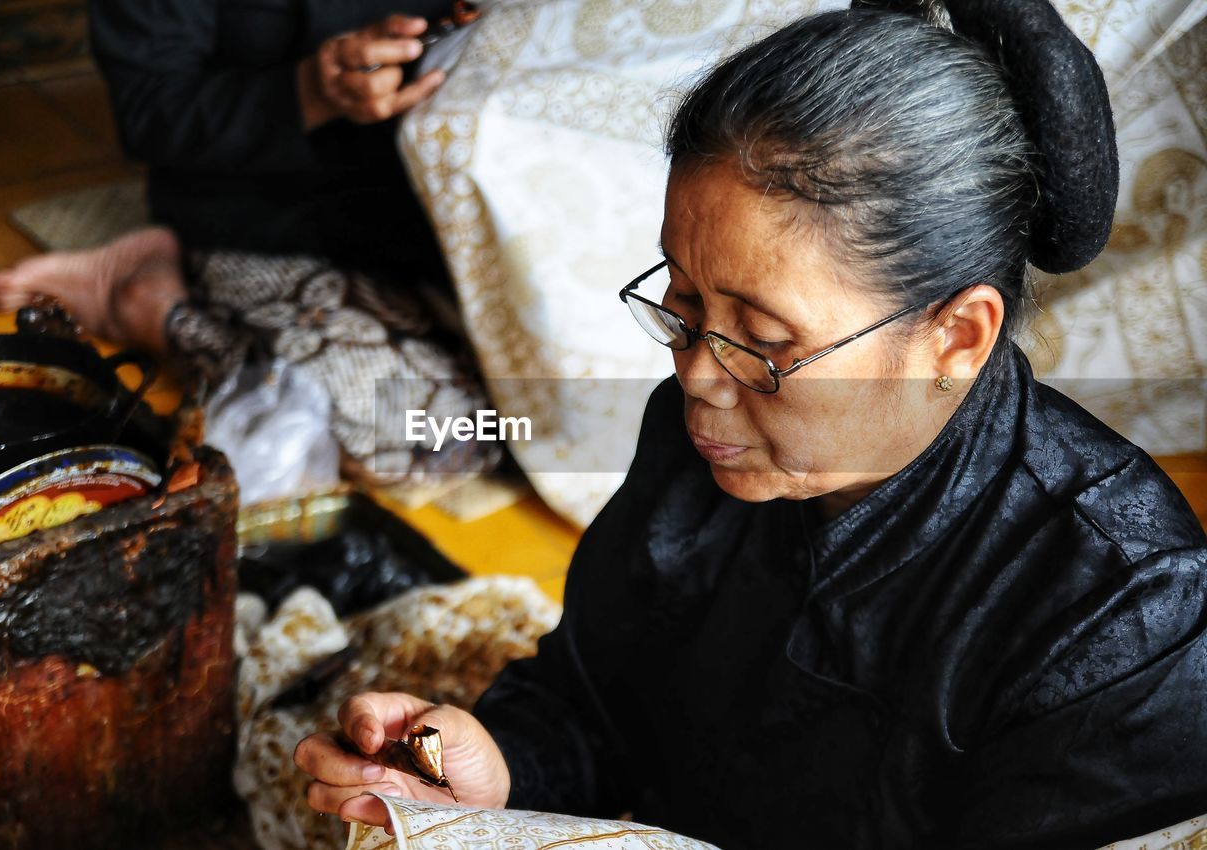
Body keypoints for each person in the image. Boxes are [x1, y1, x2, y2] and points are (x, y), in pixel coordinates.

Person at [293, 1, 1207, 846]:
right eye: (683, 307)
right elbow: (595, 700)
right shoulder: (708, 447)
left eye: (766, 342)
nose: (697, 377)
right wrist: (499, 768)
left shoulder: (1122, 611)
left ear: (956, 336)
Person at [0, 0, 499, 480]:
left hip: (449, 208)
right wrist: (311, 91)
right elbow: (150, 108)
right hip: (264, 211)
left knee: (554, 408)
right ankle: (148, 303)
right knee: (439, 437)